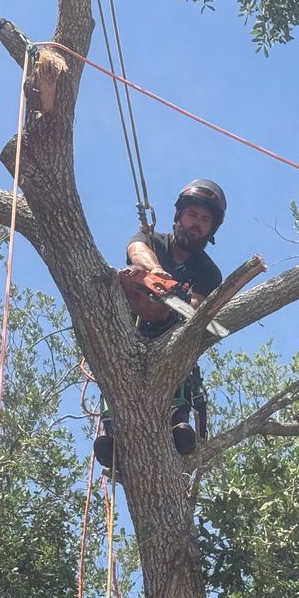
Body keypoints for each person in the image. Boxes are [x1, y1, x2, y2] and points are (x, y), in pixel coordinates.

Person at [93, 179, 226, 470]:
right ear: (179, 216)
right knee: (116, 358)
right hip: (128, 334)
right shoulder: (153, 241)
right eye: (193, 215)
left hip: (169, 338)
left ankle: (178, 421)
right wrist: (157, 274)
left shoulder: (209, 272)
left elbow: (198, 309)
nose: (197, 224)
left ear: (211, 229)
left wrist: (179, 301)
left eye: (205, 220)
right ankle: (111, 430)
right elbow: (135, 248)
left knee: (182, 357)